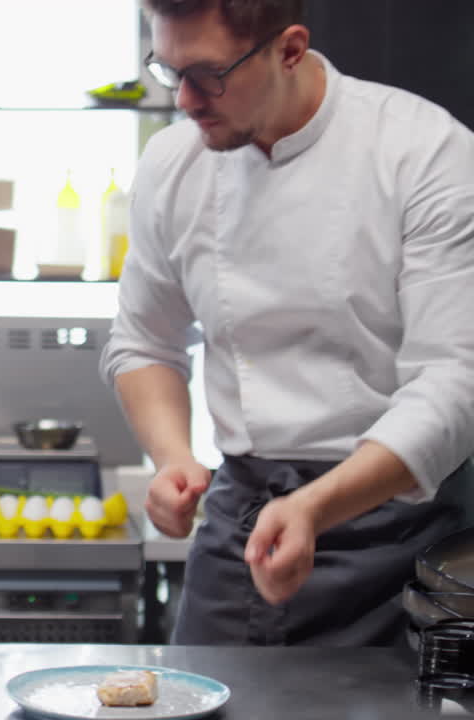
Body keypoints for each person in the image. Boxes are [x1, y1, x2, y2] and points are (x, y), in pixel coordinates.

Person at [101, 0, 474, 646]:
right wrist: (171, 458)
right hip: (240, 516)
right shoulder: (172, 163)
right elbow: (144, 340)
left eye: (208, 74)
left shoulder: (425, 152)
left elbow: (454, 380)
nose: (186, 100)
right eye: (170, 71)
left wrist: (313, 506)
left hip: (400, 529)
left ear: (291, 49)